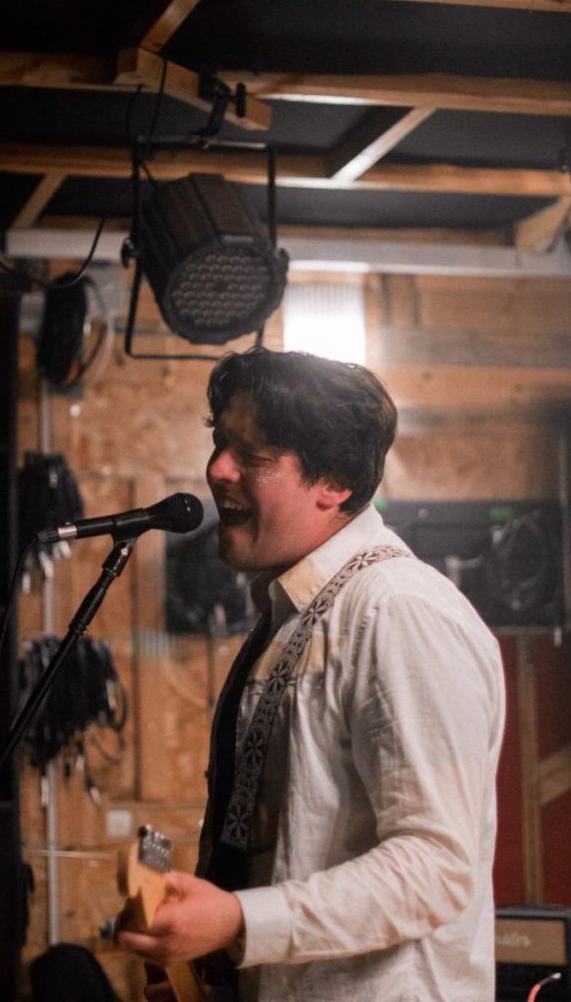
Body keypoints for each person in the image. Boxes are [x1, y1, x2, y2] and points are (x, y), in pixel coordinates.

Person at [116, 347, 506, 1002]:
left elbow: (437, 869)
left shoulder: (397, 612)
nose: (216, 470)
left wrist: (239, 920)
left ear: (334, 485)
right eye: (219, 444)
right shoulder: (295, 612)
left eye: (254, 456)